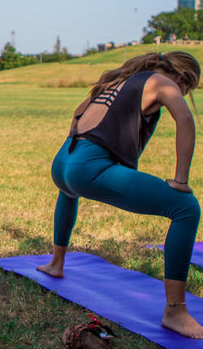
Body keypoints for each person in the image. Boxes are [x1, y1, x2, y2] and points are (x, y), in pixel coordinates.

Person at [36, 51, 203, 338]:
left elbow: (78, 112)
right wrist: (180, 180)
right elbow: (186, 121)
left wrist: (76, 160)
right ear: (181, 78)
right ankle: (175, 311)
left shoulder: (119, 79)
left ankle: (56, 263)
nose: (182, 92)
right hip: (87, 166)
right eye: (187, 88)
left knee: (68, 193)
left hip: (64, 160)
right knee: (186, 208)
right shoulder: (163, 82)